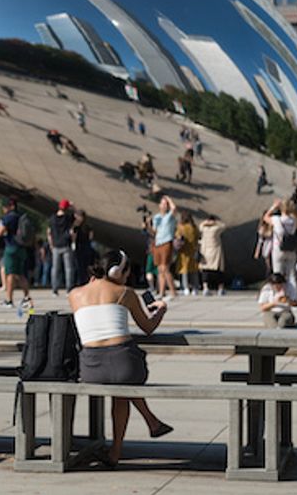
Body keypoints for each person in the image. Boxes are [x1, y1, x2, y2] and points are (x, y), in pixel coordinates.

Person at [68, 250, 172, 468]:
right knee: (123, 382)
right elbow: (148, 327)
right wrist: (161, 309)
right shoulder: (125, 293)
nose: (127, 277)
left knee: (120, 384)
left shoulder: (74, 294)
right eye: (126, 272)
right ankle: (122, 445)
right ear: (117, 271)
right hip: (125, 364)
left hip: (90, 369)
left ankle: (150, 423)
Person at [0, 198, 32, 310]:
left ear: (10, 206)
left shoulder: (8, 218)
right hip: (21, 248)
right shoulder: (21, 216)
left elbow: (0, 232)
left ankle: (9, 300)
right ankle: (27, 297)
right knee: (20, 274)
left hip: (11, 247)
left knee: (10, 274)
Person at [264, 199, 297, 288]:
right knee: (291, 275)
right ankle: (292, 295)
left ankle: (280, 295)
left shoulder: (276, 220)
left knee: (278, 274)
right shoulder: (294, 220)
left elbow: (266, 217)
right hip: (291, 249)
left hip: (278, 249)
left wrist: (273, 207)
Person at [149, 196, 177, 300]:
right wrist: (148, 225)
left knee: (165, 268)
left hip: (166, 242)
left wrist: (169, 199)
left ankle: (173, 292)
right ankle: (161, 292)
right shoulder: (156, 217)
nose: (164, 206)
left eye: (166, 204)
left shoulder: (170, 216)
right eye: (162, 204)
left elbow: (174, 209)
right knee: (160, 269)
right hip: (158, 243)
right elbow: (154, 231)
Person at [48, 199, 76, 295]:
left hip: (56, 245)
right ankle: (69, 289)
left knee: (55, 268)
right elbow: (75, 217)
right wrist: (73, 207)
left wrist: (51, 245)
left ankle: (54, 289)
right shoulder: (68, 218)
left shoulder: (52, 218)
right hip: (66, 245)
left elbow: (49, 233)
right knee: (68, 268)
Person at [198, 214, 226, 296]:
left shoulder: (204, 229)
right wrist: (215, 222)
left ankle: (205, 287)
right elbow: (223, 226)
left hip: (205, 251)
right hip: (215, 251)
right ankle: (220, 288)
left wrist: (206, 222)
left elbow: (200, 226)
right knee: (219, 270)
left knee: (205, 270)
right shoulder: (216, 228)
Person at [175, 211, 200, 295]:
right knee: (194, 270)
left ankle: (185, 288)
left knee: (184, 270)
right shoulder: (194, 227)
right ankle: (195, 288)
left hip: (183, 252)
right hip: (192, 250)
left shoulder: (181, 227)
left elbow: (178, 236)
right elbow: (198, 236)